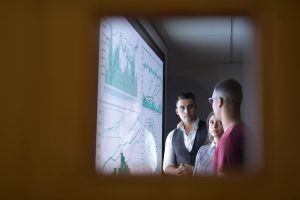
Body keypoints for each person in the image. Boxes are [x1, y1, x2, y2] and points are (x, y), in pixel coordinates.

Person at [163, 92, 208, 176]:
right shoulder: (172, 135)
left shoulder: (210, 130)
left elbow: (217, 163)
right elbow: (167, 165)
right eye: (182, 108)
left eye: (190, 107)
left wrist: (194, 170)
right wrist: (178, 172)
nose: (186, 111)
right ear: (177, 111)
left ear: (196, 108)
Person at [209, 79, 247, 175]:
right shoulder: (246, 131)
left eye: (212, 100)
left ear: (219, 102)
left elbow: (224, 188)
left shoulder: (228, 140)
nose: (212, 105)